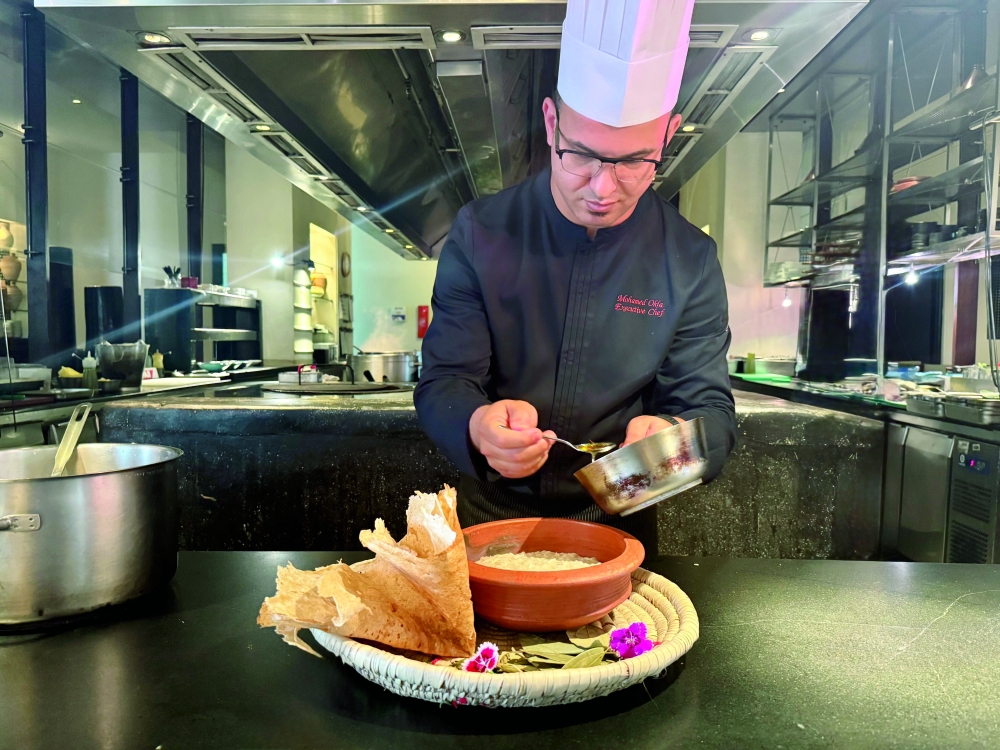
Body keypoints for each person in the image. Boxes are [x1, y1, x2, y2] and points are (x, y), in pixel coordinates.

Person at [414, 0, 736, 552]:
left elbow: (710, 410)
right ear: (550, 122)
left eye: (634, 161)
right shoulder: (481, 231)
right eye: (581, 155)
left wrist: (676, 445)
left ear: (668, 136)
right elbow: (445, 380)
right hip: (493, 507)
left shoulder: (690, 258)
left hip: (623, 510)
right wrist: (477, 425)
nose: (602, 189)